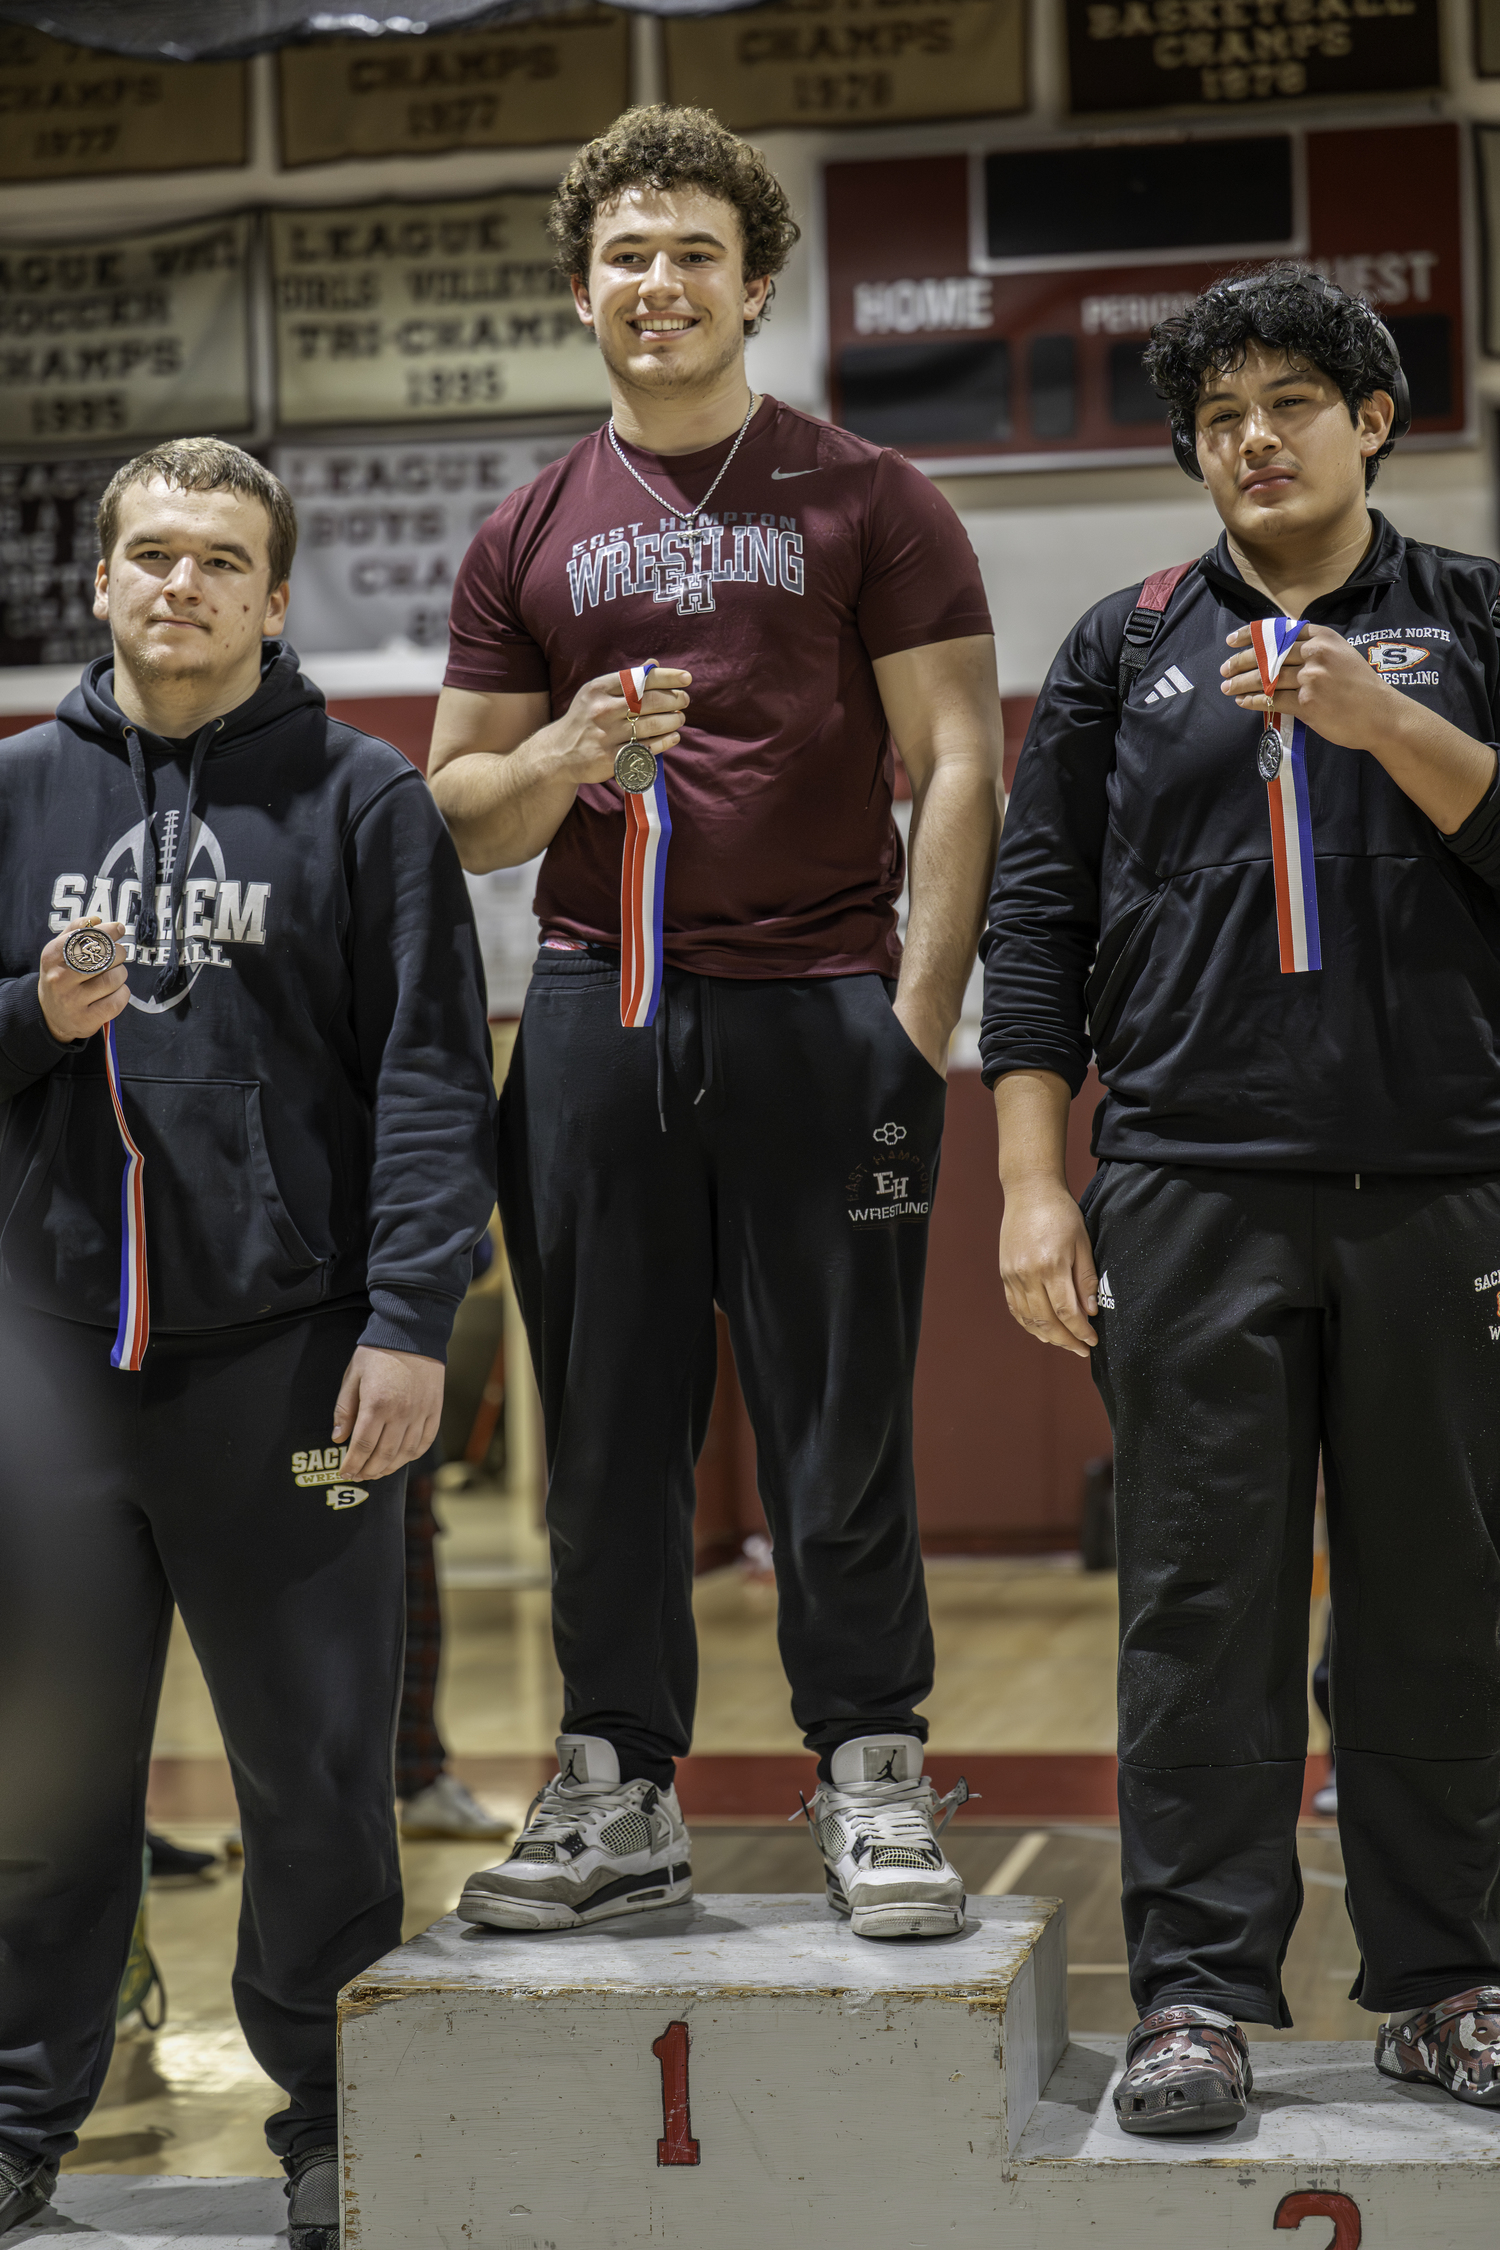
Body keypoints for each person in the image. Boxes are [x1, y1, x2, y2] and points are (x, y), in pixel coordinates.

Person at [429, 104, 1003, 1940]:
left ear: (757, 280)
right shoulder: (525, 528)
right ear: (580, 285)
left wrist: (912, 1029)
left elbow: (965, 765)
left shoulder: (869, 496)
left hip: (824, 1006)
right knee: (602, 1427)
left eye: (691, 252)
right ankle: (617, 1790)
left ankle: (873, 1773)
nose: (656, 282)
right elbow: (460, 807)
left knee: (839, 1421)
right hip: (600, 1006)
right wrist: (560, 753)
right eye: (624, 253)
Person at [982, 264, 1500, 2129]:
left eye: (1293, 401)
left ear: (1376, 422)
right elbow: (1032, 930)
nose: (1253, 438)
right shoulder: (1123, 646)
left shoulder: (1470, 619)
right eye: (1218, 417)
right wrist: (1037, 1187)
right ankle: (1197, 1994)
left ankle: (1449, 1980)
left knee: (1444, 1602)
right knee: (1198, 1605)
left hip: (1446, 1182)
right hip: (1187, 1183)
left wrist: (1387, 724)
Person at [0, 439, 497, 2238]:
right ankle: (14, 2120)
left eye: (220, 558)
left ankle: (333, 2121)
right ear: (106, 583)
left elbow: (436, 1078)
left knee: (314, 1781)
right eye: (150, 554)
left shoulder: (366, 805)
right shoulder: (16, 794)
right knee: (45, 1789)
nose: (180, 584)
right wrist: (29, 1017)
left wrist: (409, 1318)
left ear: (277, 596)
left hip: (286, 1364)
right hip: (54, 1378)